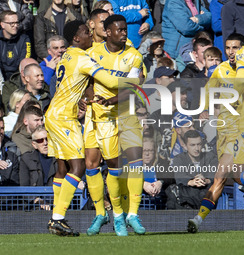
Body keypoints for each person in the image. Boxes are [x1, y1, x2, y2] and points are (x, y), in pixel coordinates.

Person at [45, 19, 141, 236]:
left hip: (53, 114)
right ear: (77, 38)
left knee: (62, 169)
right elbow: (108, 80)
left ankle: (57, 216)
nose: (91, 35)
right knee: (78, 168)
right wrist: (134, 79)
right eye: (87, 33)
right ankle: (57, 218)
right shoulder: (82, 58)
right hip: (64, 118)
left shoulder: (66, 55)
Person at [188, 14, 244, 235]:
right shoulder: (220, 70)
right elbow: (207, 94)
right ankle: (198, 218)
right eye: (229, 47)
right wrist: (203, 109)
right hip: (228, 132)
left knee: (234, 175)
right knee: (222, 177)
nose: (232, 52)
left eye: (236, 47)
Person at [85, 15, 145, 236]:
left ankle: (132, 214)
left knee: (137, 160)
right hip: (97, 117)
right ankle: (103, 213)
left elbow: (131, 87)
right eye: (119, 30)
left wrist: (109, 100)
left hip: (125, 113)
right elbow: (86, 83)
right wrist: (91, 98)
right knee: (93, 164)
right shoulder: (93, 54)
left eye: (125, 29)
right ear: (107, 32)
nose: (124, 33)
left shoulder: (134, 56)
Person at [0, 10, 31, 80]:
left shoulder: (24, 39)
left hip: (19, 77)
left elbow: (25, 60)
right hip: (0, 77)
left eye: (17, 22)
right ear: (2, 25)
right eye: (12, 23)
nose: (15, 26)